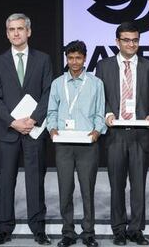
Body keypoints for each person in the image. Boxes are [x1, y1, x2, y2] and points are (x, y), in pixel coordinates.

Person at [0, 13, 53, 245]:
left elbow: (48, 92)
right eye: (11, 29)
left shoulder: (43, 59)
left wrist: (34, 119)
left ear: (29, 31)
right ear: (7, 33)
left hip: (34, 131)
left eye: (20, 29)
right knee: (7, 181)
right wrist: (13, 122)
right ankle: (5, 228)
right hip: (8, 132)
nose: (16, 33)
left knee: (35, 181)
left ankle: (38, 228)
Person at [95, 22, 149, 246]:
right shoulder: (103, 66)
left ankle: (136, 229)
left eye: (135, 40)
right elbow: (99, 97)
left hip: (140, 134)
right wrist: (107, 113)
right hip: (115, 134)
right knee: (116, 185)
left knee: (138, 186)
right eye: (126, 40)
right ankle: (118, 229)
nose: (131, 44)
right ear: (117, 42)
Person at [47, 40, 106, 247]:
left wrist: (98, 131)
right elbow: (51, 111)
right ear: (66, 59)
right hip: (63, 143)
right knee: (65, 189)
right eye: (70, 58)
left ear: (85, 59)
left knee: (87, 189)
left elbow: (100, 112)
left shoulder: (95, 83)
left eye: (78, 58)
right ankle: (68, 232)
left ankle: (89, 232)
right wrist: (52, 128)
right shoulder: (57, 83)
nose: (74, 62)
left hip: (88, 144)